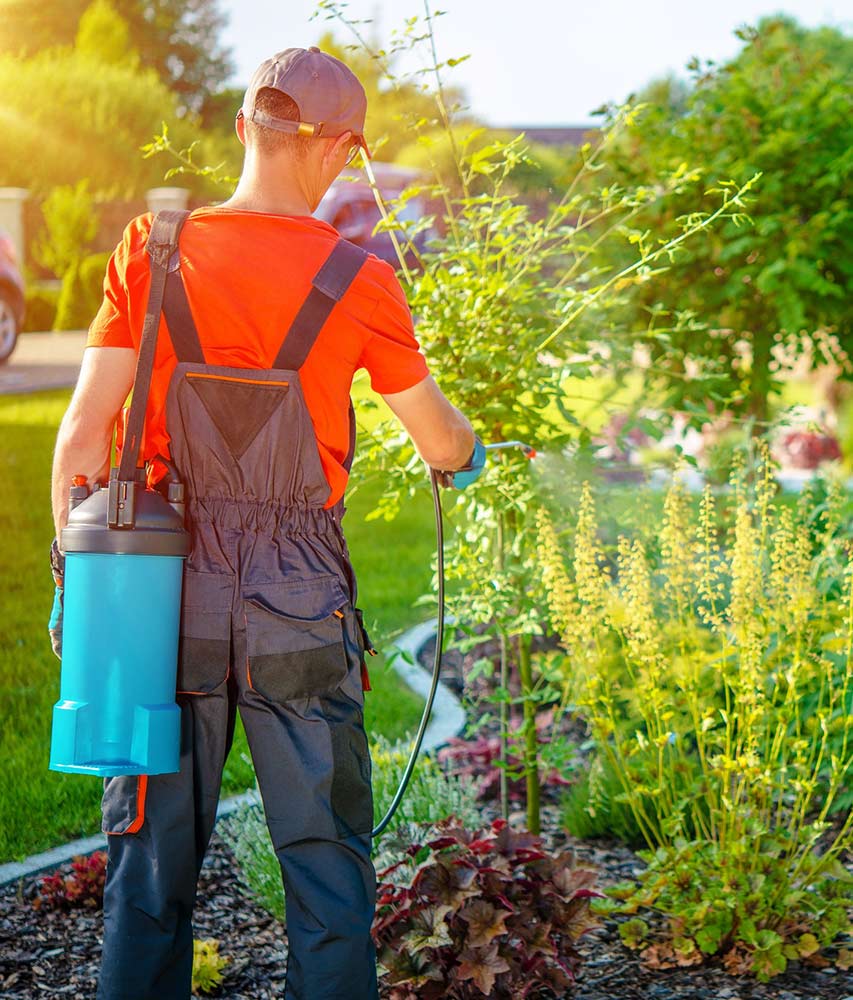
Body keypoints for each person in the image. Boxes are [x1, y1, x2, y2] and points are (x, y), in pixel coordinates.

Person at [49, 46, 485, 1000]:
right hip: (300, 599)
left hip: (164, 595)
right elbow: (439, 441)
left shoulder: (150, 250)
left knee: (150, 870)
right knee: (327, 869)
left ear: (244, 128)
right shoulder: (360, 278)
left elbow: (82, 438)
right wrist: (467, 454)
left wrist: (77, 590)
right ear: (339, 152)